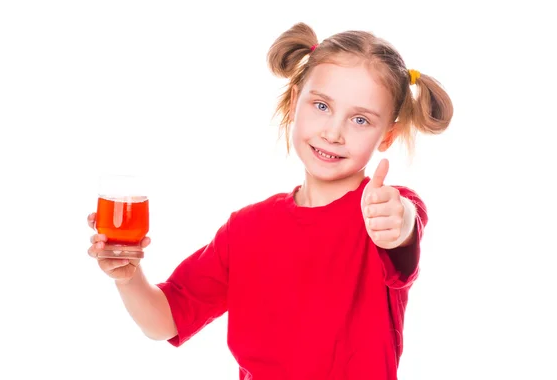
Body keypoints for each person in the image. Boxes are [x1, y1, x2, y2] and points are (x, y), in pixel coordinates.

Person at [87, 22, 453, 380]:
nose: (332, 132)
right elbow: (165, 320)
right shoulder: (246, 228)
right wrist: (129, 276)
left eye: (359, 119)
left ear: (387, 136)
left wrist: (398, 221)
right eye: (322, 106)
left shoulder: (385, 209)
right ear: (296, 102)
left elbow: (403, 228)